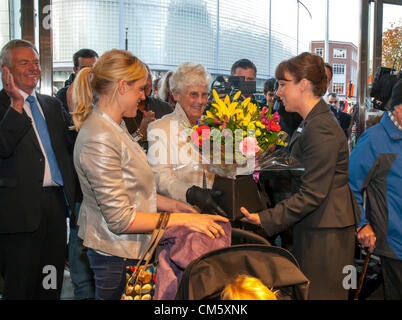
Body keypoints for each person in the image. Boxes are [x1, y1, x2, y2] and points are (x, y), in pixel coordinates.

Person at [71, 49, 229, 300]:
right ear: (122, 87)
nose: (144, 97)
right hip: (115, 253)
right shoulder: (99, 137)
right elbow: (121, 219)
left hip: (131, 249)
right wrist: (182, 219)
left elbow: (138, 192)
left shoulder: (116, 126)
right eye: (140, 89)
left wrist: (180, 206)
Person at [240, 52, 359, 300]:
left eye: (283, 84)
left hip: (327, 235)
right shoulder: (311, 122)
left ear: (303, 84)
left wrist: (265, 218)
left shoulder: (321, 127)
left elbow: (312, 193)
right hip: (317, 227)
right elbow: (297, 161)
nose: (278, 91)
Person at [0, 39, 76, 299]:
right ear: (5, 70)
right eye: (24, 63)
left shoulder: (51, 105)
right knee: (19, 287)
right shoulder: (3, 107)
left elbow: (72, 143)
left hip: (55, 210)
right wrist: (16, 104)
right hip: (18, 215)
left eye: (35, 62)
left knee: (50, 282)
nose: (34, 68)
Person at [147, 62, 226, 216]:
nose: (201, 101)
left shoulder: (214, 126)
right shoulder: (160, 128)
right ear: (176, 94)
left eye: (205, 94)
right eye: (193, 94)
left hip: (215, 211)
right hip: (181, 215)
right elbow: (160, 179)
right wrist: (190, 193)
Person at [349, 79, 402, 300]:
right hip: (395, 244)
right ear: (398, 107)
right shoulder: (375, 140)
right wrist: (362, 225)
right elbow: (349, 185)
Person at [55, 49, 98, 300]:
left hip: (88, 201)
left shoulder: (99, 124)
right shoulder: (81, 123)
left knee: (91, 276)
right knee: (84, 276)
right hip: (82, 198)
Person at [123, 64, 173, 151]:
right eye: (141, 78)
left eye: (148, 77)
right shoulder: (123, 110)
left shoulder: (165, 108)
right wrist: (141, 133)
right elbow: (123, 149)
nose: (146, 83)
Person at [56, 48, 98, 116]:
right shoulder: (64, 94)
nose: (90, 73)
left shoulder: (103, 91)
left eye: (94, 68)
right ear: (75, 70)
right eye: (84, 69)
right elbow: (64, 124)